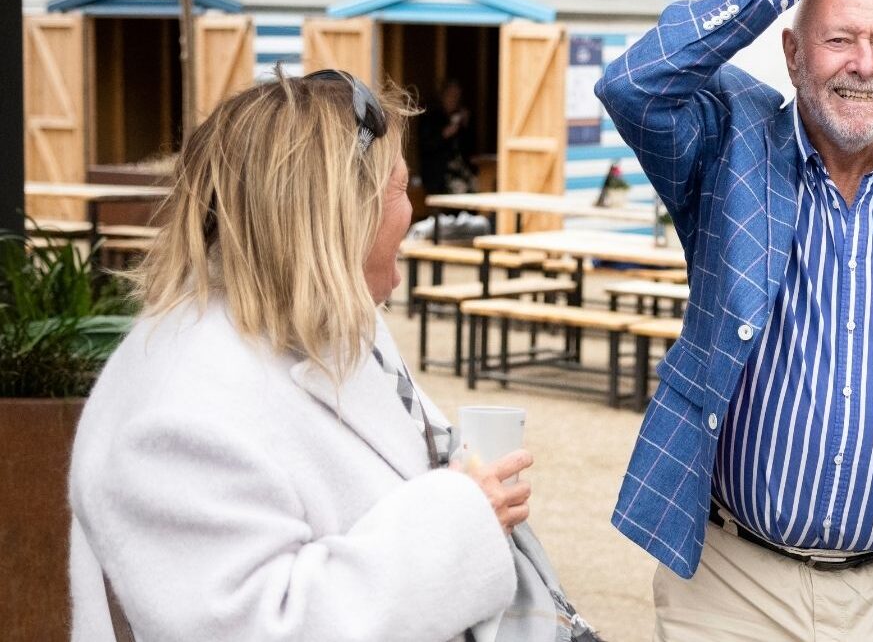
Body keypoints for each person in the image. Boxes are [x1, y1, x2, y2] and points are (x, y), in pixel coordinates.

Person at [67, 72, 600, 642]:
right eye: (399, 188)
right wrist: (462, 523)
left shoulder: (330, 322)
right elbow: (251, 628)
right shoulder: (179, 415)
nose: (412, 214)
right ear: (337, 213)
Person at [594, 0, 873, 640]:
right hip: (733, 587)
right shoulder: (728, 147)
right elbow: (634, 83)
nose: (864, 64)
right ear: (793, 52)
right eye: (840, 40)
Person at [418, 79, 477, 194]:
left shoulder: (458, 118)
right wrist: (444, 135)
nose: (454, 100)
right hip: (439, 173)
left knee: (478, 185)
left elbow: (470, 149)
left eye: (457, 97)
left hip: (461, 170)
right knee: (461, 189)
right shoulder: (430, 117)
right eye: (451, 95)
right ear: (443, 96)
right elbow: (426, 146)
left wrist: (466, 125)